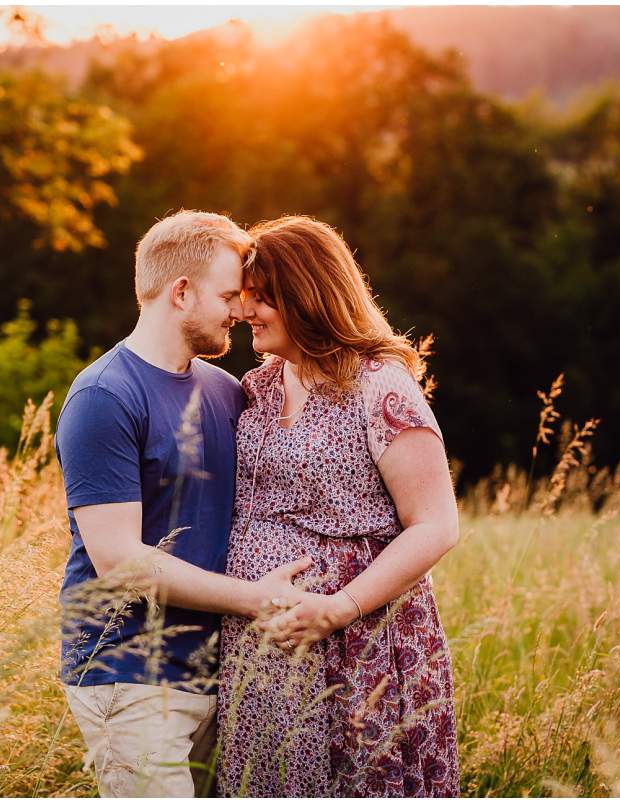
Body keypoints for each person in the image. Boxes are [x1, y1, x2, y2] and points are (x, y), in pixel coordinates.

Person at [54, 210, 313, 798]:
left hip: (221, 670)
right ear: (180, 292)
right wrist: (257, 598)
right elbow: (119, 558)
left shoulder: (225, 391)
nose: (241, 311)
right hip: (129, 673)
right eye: (228, 295)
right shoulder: (105, 396)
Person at [217, 215, 461, 797]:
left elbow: (436, 525)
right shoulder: (259, 385)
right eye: (243, 297)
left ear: (305, 295)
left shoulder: (381, 386)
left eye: (260, 299)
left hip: (361, 645)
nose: (244, 312)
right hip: (263, 652)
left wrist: (339, 607)